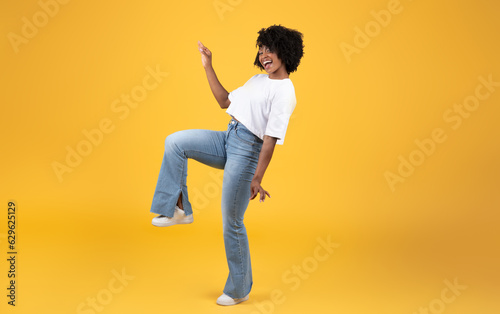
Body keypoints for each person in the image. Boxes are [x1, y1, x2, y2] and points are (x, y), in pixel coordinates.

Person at [150, 24, 304, 306]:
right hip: (228, 137)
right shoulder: (257, 80)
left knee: (232, 222)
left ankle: (238, 289)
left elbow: (269, 139)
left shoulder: (285, 92)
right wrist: (208, 65)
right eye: (261, 49)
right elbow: (224, 101)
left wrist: (257, 177)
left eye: (270, 49)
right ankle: (178, 209)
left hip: (248, 152)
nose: (264, 54)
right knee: (175, 142)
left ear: (286, 52)